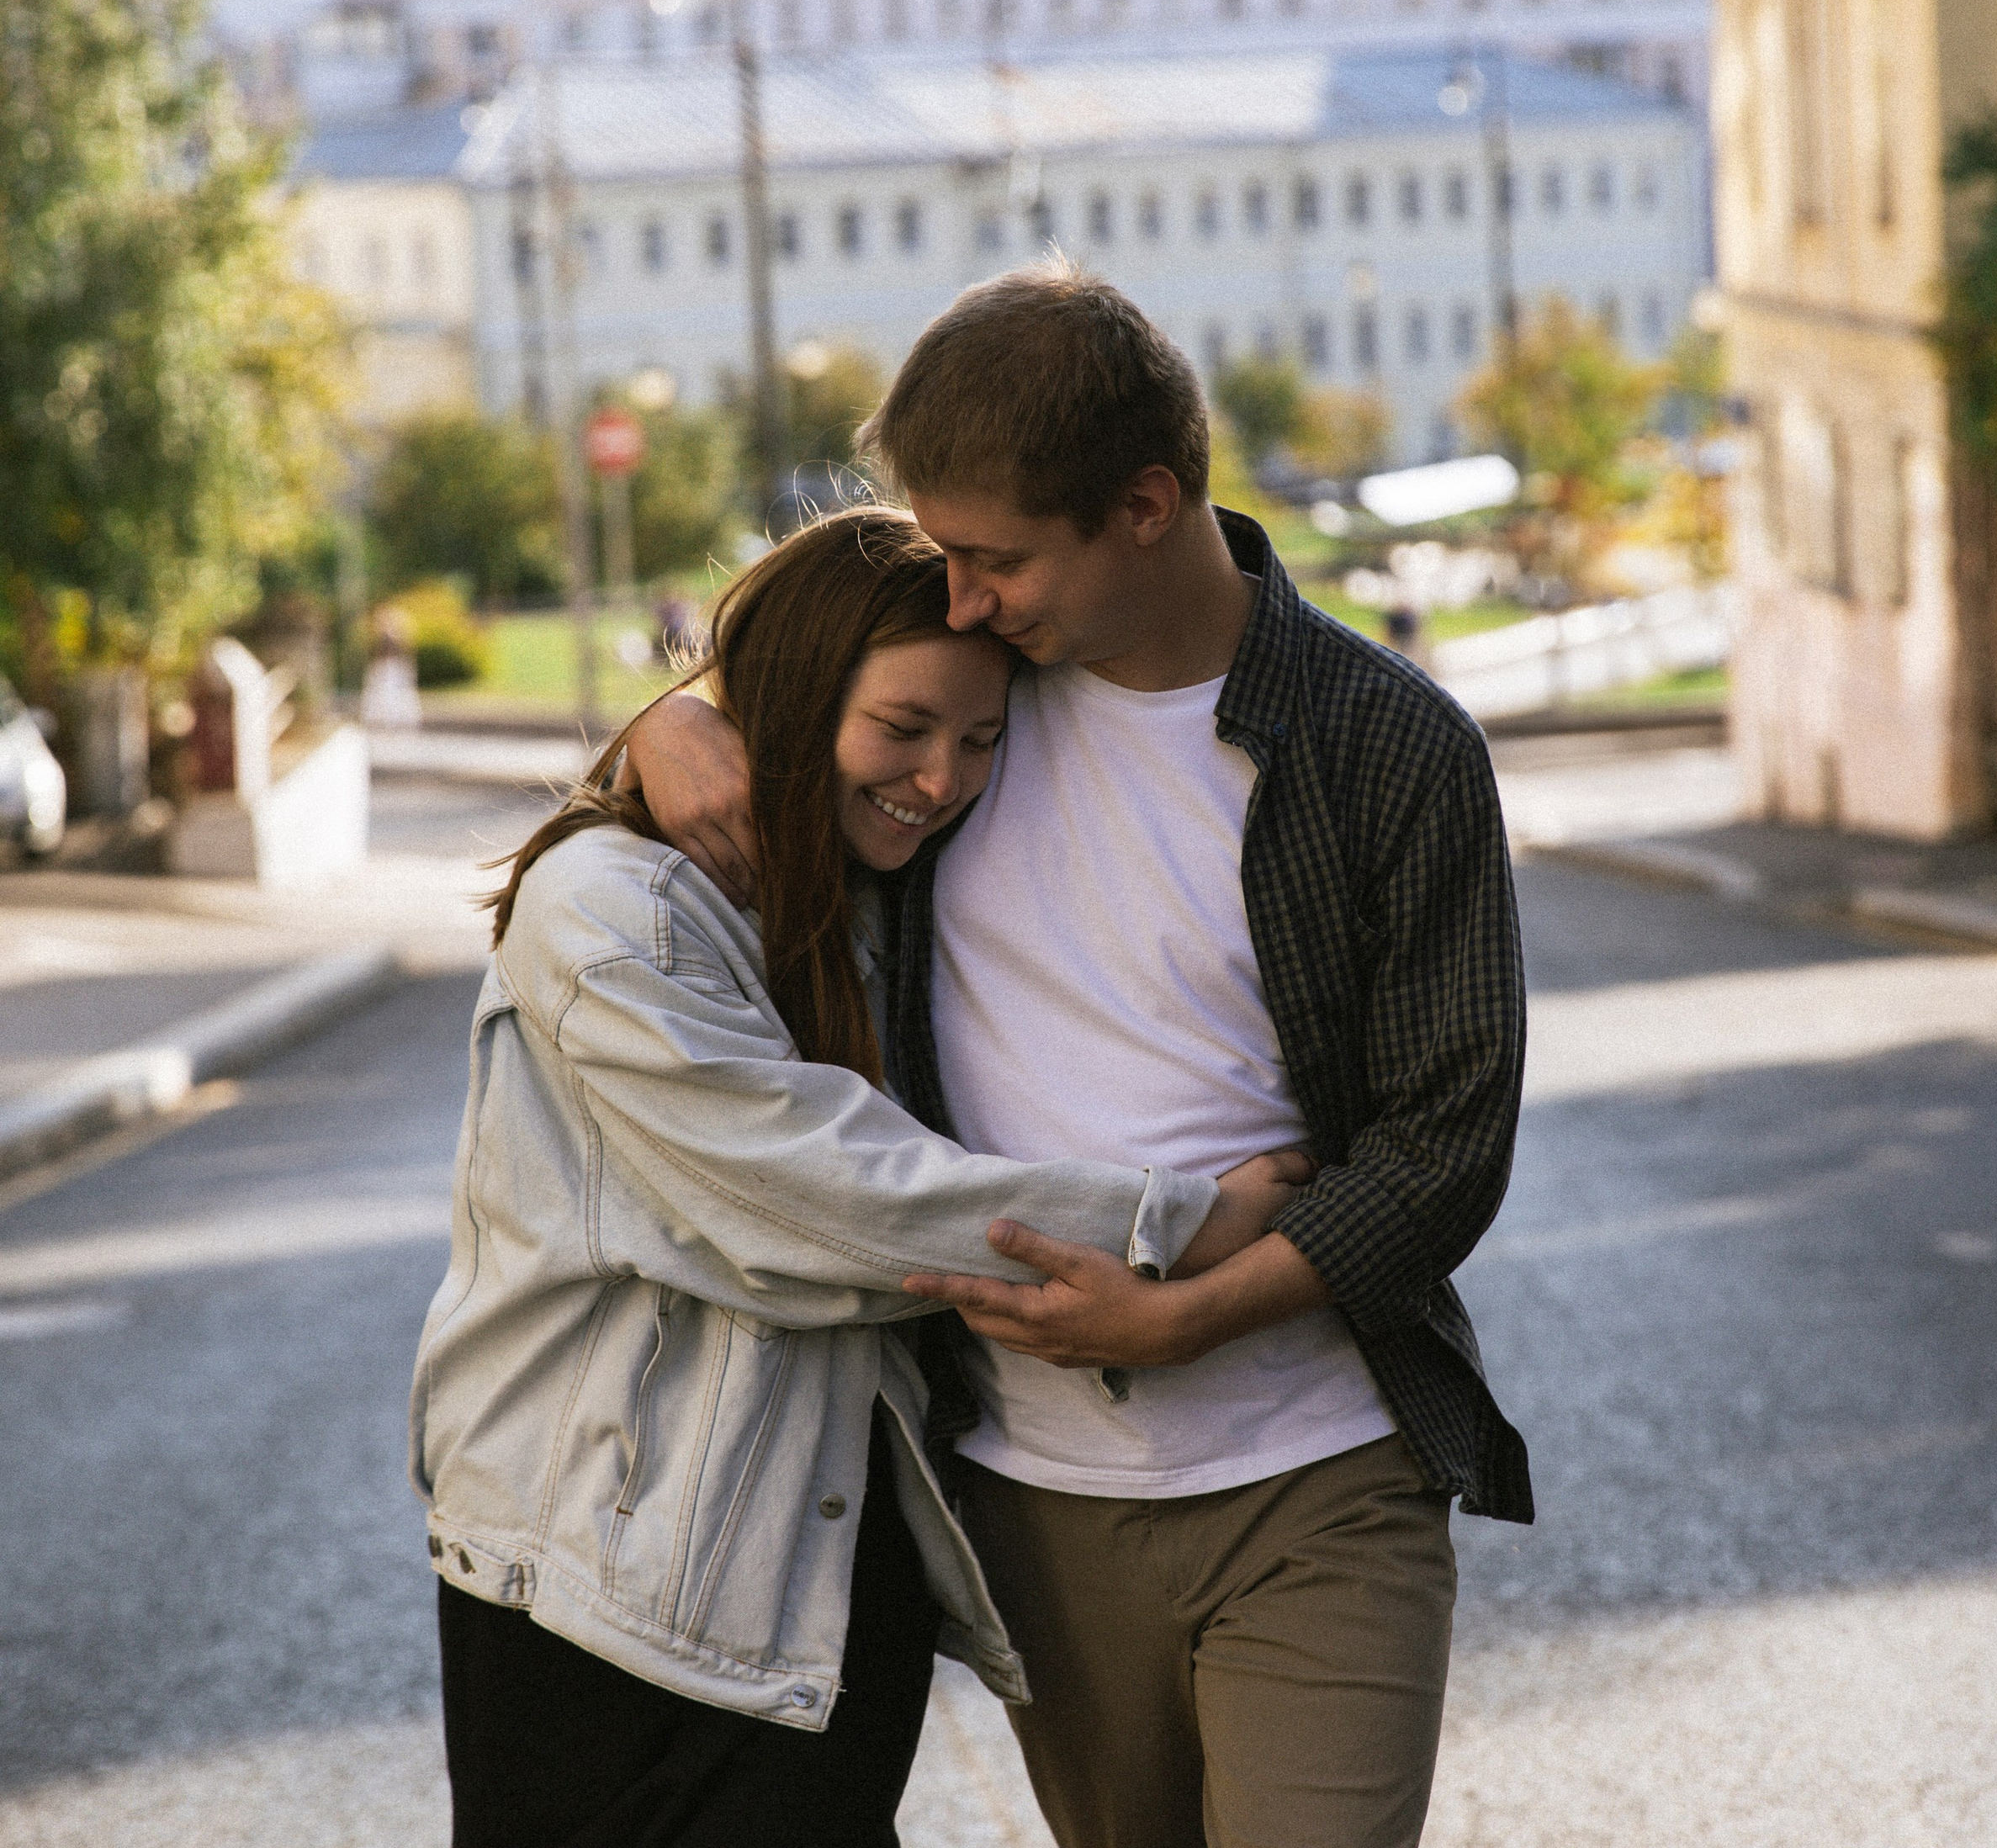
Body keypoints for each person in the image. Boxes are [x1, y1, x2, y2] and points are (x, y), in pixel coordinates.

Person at [623, 263, 1533, 1848]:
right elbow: (803, 692)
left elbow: (1444, 1147)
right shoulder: (962, 718)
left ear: (1144, 507)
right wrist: (668, 724)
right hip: (1031, 1500)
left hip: (1321, 1475)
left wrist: (1184, 1318)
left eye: (997, 560)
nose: (965, 600)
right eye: (947, 559)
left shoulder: (1387, 745)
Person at [410, 506, 1308, 1848]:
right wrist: (1182, 1224)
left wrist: (682, 715)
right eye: (903, 728)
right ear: (796, 697)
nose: (942, 780)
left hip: (818, 1581)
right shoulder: (613, 909)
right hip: (600, 1593)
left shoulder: (875, 885)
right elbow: (817, 1195)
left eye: (981, 740)